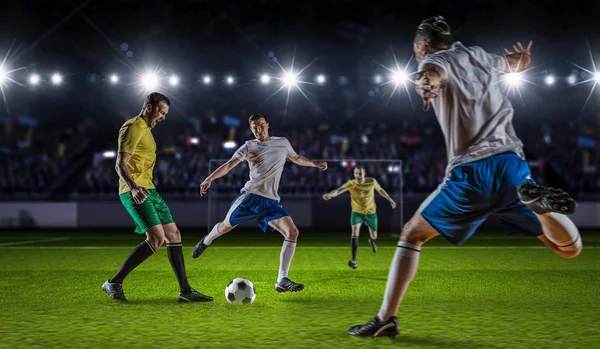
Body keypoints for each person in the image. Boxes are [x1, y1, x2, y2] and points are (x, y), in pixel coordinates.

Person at [348, 16, 581, 338]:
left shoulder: (433, 60)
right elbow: (513, 63)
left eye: (416, 49)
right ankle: (537, 204)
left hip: (472, 174)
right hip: (513, 164)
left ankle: (386, 319)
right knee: (568, 250)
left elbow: (432, 74)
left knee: (412, 234)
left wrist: (425, 83)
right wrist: (522, 61)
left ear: (422, 45)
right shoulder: (482, 56)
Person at [191, 113, 328, 293]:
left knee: (292, 232)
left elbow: (296, 158)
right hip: (251, 197)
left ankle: (282, 280)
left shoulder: (282, 142)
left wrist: (314, 164)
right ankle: (206, 241)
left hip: (271, 202)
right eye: (255, 127)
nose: (259, 129)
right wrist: (209, 179)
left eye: (261, 125)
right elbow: (229, 165)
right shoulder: (249, 146)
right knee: (225, 227)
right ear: (251, 129)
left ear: (267, 125)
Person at [102, 92, 213, 303]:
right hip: (134, 191)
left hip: (150, 190)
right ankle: (114, 283)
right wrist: (134, 187)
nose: (163, 117)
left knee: (174, 234)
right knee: (156, 238)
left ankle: (185, 292)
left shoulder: (147, 130)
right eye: (161, 112)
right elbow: (120, 164)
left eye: (165, 113)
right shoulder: (133, 127)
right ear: (149, 107)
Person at [322, 164, 397, 269]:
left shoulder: (371, 181)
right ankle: (354, 260)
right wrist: (330, 194)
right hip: (356, 212)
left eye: (360, 173)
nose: (358, 175)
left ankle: (371, 240)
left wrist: (390, 200)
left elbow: (380, 190)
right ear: (354, 174)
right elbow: (338, 190)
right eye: (356, 173)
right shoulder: (351, 183)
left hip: (371, 213)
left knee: (374, 235)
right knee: (354, 232)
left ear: (364, 174)